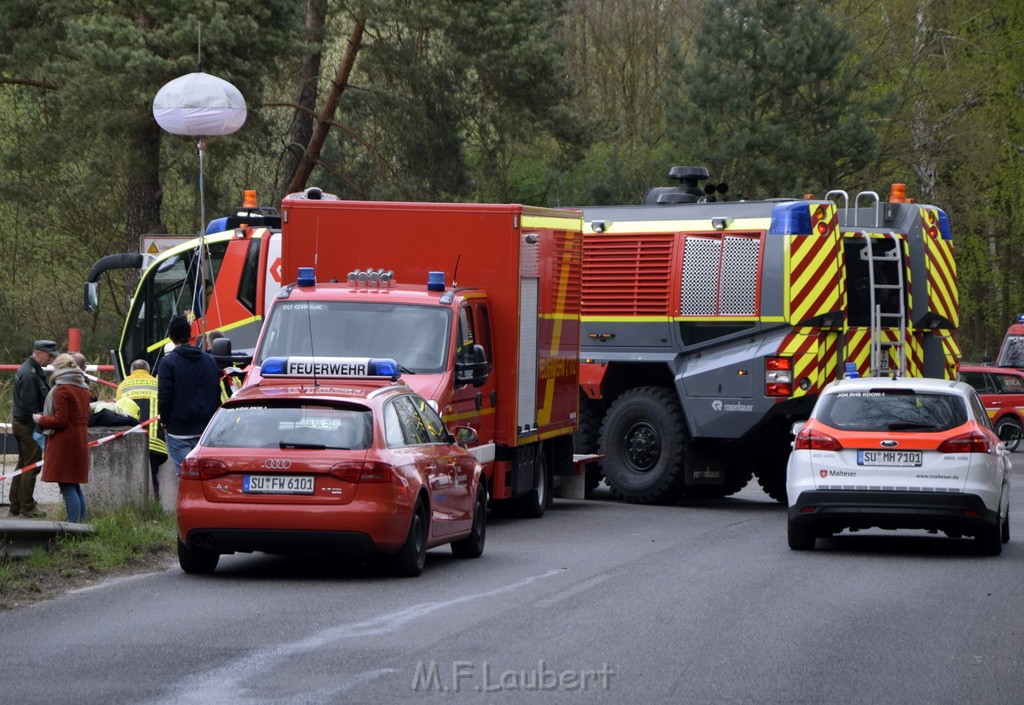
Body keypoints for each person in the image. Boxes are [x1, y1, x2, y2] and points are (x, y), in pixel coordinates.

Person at [157, 315, 222, 477]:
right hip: (205, 429)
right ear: (189, 334)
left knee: (187, 478)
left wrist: (164, 421)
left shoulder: (168, 363)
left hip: (178, 430)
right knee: (206, 477)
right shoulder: (209, 361)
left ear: (171, 338)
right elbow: (216, 392)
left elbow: (165, 395)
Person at [33, 353, 91, 523]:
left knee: (67, 487)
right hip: (79, 440)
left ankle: (73, 527)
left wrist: (41, 419)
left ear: (59, 369)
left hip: (64, 443)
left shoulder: (63, 389)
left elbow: (60, 420)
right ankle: (81, 524)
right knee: (74, 485)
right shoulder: (83, 388)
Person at [9, 340, 58, 518]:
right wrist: (44, 420)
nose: (51, 359)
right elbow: (30, 405)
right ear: (39, 353)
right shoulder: (30, 374)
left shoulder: (30, 370)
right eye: (49, 355)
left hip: (21, 424)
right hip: (28, 426)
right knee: (32, 466)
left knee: (23, 465)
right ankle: (27, 507)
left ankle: (16, 505)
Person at [116, 359, 168, 500]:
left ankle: (134, 507)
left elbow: (118, 411)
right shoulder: (158, 383)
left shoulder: (123, 385)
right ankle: (155, 507)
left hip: (131, 439)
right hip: (156, 441)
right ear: (149, 371)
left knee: (132, 477)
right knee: (153, 477)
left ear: (130, 372)